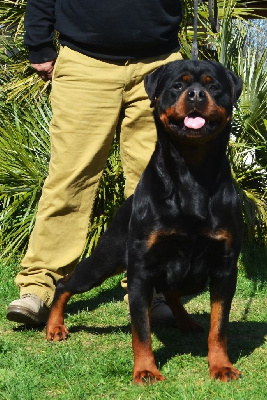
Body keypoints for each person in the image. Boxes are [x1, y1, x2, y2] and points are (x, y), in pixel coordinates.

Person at [6, 0, 183, 326]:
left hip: (160, 64)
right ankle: (38, 287)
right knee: (69, 178)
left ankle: (151, 288)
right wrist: (39, 44)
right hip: (85, 63)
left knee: (157, 185)